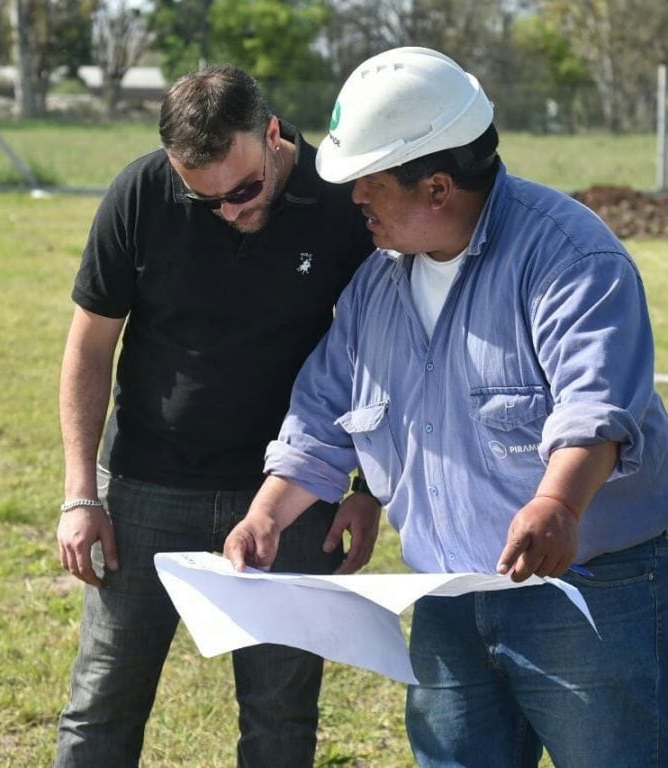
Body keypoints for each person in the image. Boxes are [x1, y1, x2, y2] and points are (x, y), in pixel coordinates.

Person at [224, 47, 668, 768]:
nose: (355, 198)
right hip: (448, 604)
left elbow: (596, 405)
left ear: (436, 188)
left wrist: (557, 502)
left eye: (369, 182)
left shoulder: (568, 259)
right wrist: (266, 516)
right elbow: (324, 412)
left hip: (589, 598)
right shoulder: (377, 287)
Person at [54, 64, 380, 768]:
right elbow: (90, 348)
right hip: (145, 487)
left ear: (272, 134)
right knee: (101, 703)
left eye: (244, 191)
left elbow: (379, 354)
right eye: (206, 201)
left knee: (281, 717)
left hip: (292, 497)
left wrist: (368, 489)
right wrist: (82, 494)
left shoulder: (341, 200)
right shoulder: (142, 192)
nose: (229, 210)